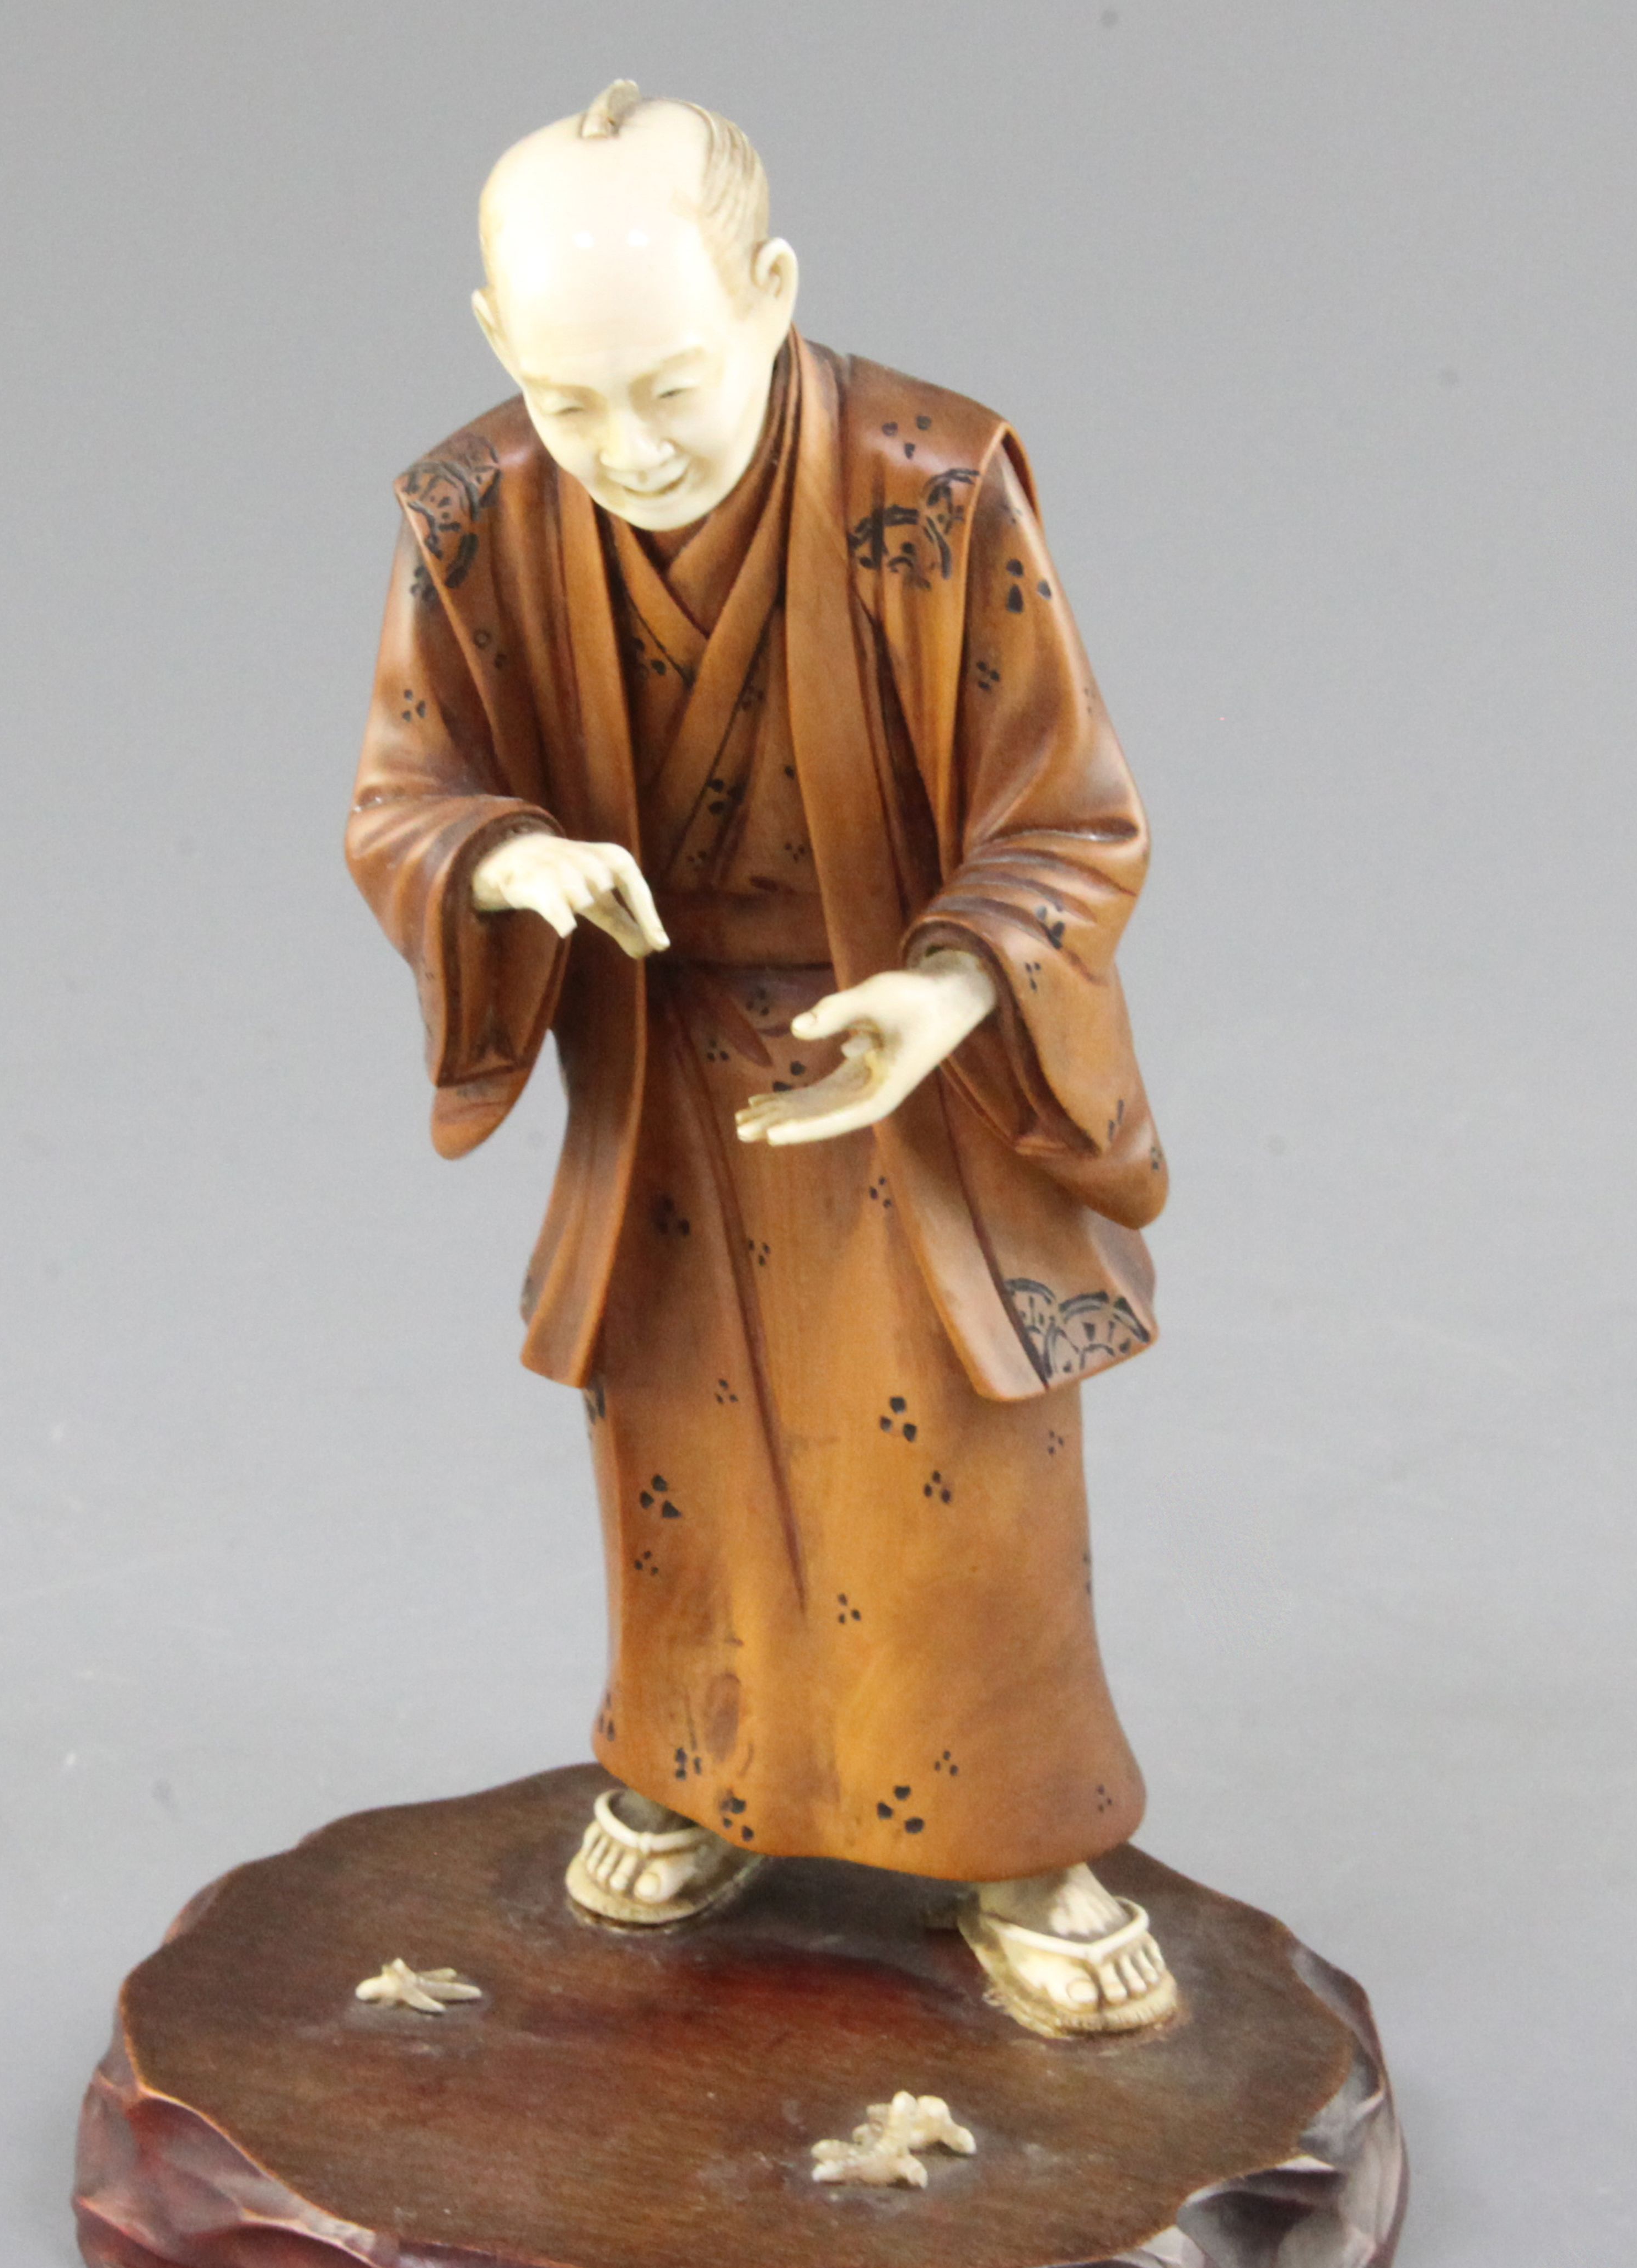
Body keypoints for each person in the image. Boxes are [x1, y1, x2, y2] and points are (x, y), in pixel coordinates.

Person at [347, 82, 1178, 2036]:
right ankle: (698, 1769)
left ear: (773, 295)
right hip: (668, 1073)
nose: (620, 449)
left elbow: (1070, 823)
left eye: (670, 389)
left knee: (959, 1470)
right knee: (685, 1443)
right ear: (496, 344)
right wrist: (512, 860)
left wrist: (956, 987)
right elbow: (403, 795)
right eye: (567, 400)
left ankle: (1017, 1834)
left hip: (914, 1069)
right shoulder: (471, 515)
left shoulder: (932, 485)